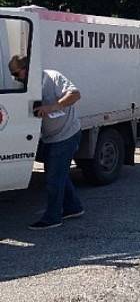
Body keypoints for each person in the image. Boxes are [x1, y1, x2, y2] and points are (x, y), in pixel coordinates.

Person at [9, 55, 84, 230]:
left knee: (53, 178)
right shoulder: (25, 85)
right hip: (49, 137)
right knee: (58, 173)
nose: (15, 77)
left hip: (66, 134)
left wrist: (51, 107)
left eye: (16, 73)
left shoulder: (51, 77)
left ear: (27, 69)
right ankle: (74, 207)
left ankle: (53, 217)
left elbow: (75, 94)